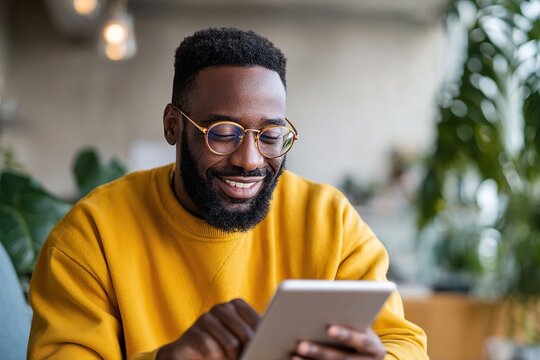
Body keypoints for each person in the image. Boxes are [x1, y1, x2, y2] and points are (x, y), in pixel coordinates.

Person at [27, 27, 427, 360]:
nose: (250, 160)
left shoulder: (329, 220)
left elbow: (404, 343)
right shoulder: (90, 235)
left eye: (270, 136)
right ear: (172, 126)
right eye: (222, 133)